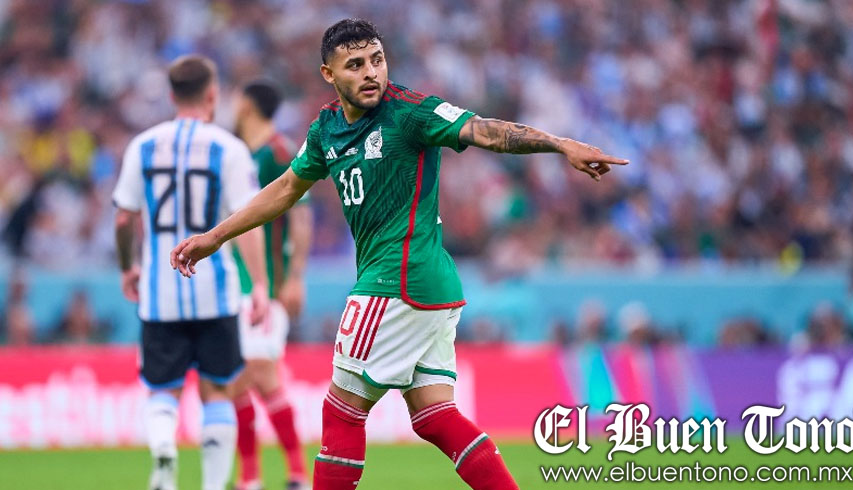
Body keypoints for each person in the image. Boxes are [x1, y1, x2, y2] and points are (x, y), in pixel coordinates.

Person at [170, 19, 627, 490]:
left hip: (395, 282)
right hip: (427, 289)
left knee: (342, 411)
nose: (371, 72)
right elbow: (287, 188)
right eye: (355, 65)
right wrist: (216, 236)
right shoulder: (326, 128)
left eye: (377, 60)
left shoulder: (410, 113)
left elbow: (485, 131)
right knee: (434, 416)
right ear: (329, 74)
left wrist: (559, 144)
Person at [113, 54, 270, 490]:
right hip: (215, 291)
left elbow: (124, 218)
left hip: (159, 292)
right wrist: (259, 283)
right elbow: (249, 221)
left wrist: (127, 266)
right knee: (217, 390)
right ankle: (214, 485)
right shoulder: (229, 148)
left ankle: (164, 449)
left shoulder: (142, 146)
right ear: (212, 95)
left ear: (171, 95)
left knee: (163, 390)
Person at [230, 79, 313, 490]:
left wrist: (295, 276)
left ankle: (291, 474)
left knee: (259, 372)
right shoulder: (239, 154)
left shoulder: (279, 152)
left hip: (267, 284)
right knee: (236, 380)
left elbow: (301, 215)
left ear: (247, 104)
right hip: (234, 285)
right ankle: (260, 477)